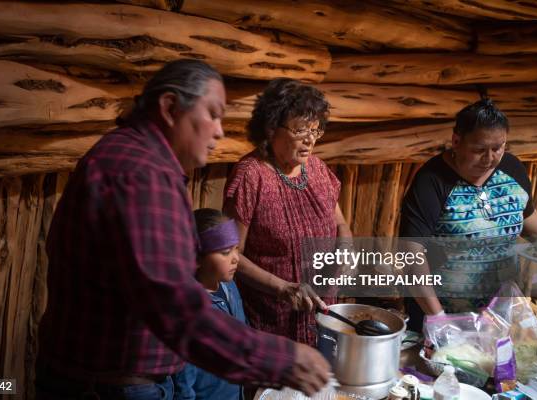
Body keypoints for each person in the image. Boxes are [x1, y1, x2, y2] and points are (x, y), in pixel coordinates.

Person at [36, 60, 330, 400]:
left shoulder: (133, 158)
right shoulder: (141, 175)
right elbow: (176, 307)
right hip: (110, 386)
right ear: (170, 107)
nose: (220, 131)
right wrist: (280, 359)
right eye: (213, 114)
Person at [400, 98, 537, 331]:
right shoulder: (431, 181)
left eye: (498, 148)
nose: (490, 159)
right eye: (479, 150)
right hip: (442, 313)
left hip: (498, 312)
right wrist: (440, 321)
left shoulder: (512, 169)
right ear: (456, 141)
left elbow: (529, 220)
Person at [223, 78, 352, 346]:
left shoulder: (317, 170)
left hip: (321, 313)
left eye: (316, 131)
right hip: (271, 320)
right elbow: (231, 254)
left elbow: (340, 225)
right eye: (300, 130)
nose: (310, 141)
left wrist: (344, 254)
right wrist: (283, 288)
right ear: (271, 128)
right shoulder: (250, 175)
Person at [172, 208, 247, 400]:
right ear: (196, 258)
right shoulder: (190, 311)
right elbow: (183, 381)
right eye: (225, 252)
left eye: (236, 249)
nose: (236, 258)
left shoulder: (230, 287)